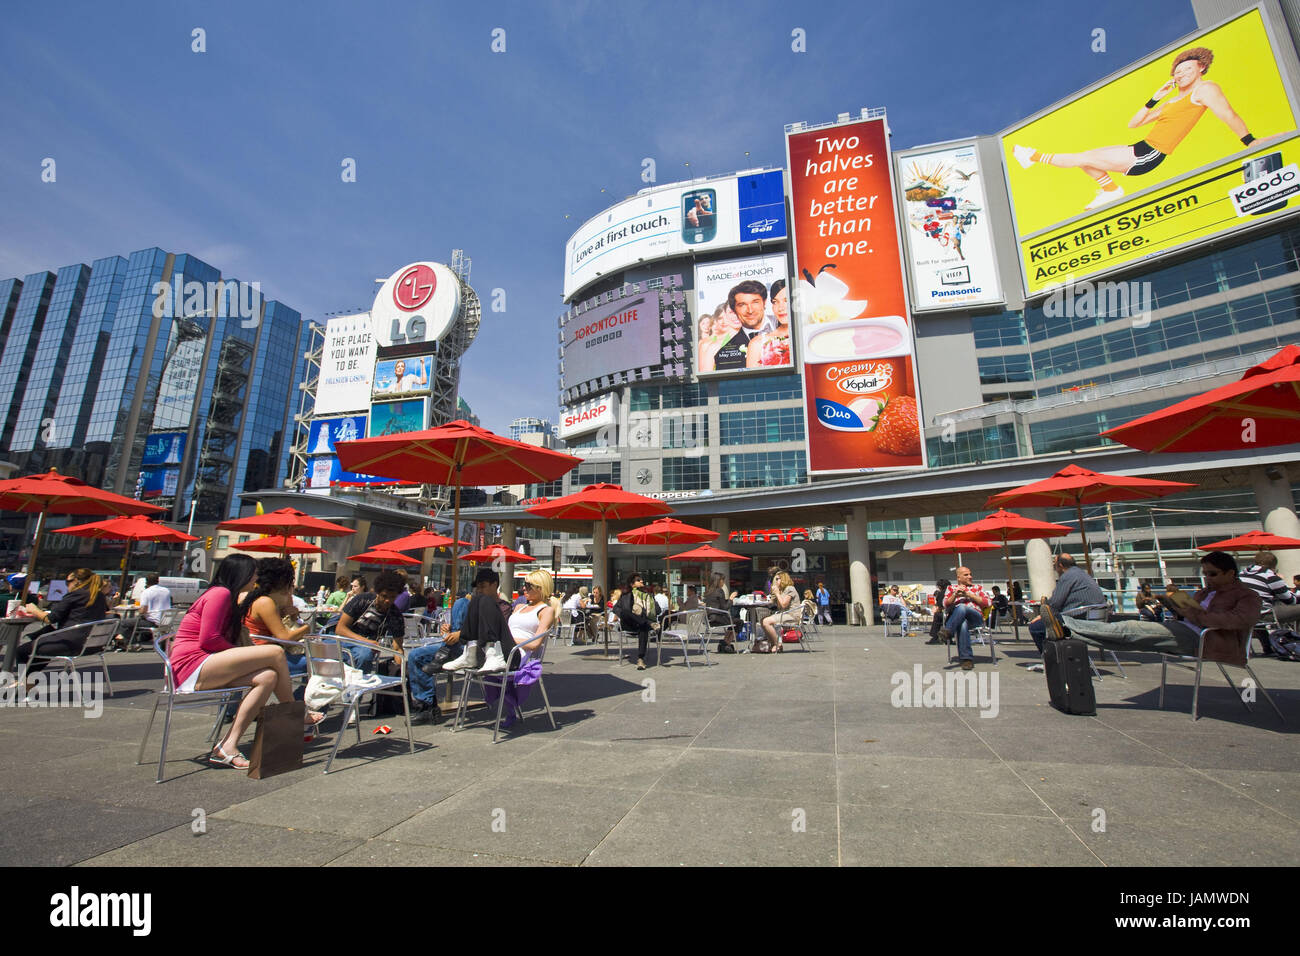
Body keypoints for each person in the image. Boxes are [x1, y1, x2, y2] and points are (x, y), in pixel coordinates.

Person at [1013, 47, 1259, 211]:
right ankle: (1110, 189)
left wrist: (1249, 141)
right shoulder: (1173, 101)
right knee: (1087, 160)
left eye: (1187, 69)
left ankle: (1033, 157)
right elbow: (1135, 123)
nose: (1181, 73)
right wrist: (1155, 97)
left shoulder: (1205, 90)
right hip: (1139, 147)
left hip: (1150, 154)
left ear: (1201, 68)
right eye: (1178, 71)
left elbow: (1228, 114)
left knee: (1085, 157)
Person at [168, 554, 321, 770]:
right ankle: (298, 714)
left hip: (202, 663)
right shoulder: (219, 594)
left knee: (268, 677)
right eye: (253, 573)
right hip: (191, 664)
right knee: (275, 653)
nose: (256, 578)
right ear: (241, 573)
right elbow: (209, 639)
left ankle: (227, 746)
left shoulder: (228, 595)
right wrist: (241, 655)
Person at [1043, 551, 1260, 665]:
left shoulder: (1247, 596)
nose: (1208, 579)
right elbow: (1191, 613)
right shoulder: (1205, 593)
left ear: (1230, 573)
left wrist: (1192, 612)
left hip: (1208, 641)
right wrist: (1172, 602)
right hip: (1186, 630)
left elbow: (1233, 621)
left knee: (1129, 630)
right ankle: (1067, 629)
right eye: (1205, 574)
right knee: (1127, 636)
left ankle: (1065, 626)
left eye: (1213, 574)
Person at [482, 570, 560, 726]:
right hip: (505, 647)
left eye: (528, 586)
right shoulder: (519, 607)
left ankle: (475, 656)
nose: (524, 589)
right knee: (478, 606)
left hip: (520, 653)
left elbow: (535, 643)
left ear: (540, 588)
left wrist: (509, 639)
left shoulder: (546, 610)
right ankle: (472, 653)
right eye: (524, 585)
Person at [15, 568, 111, 676]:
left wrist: (34, 610)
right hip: (91, 645)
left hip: (70, 643)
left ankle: (24, 682)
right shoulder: (99, 596)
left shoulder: (76, 595)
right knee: (41, 642)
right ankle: (28, 682)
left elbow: (50, 619)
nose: (66, 585)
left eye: (68, 582)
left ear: (76, 581)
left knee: (22, 651)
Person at [1026, 554, 1107, 668]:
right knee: (1048, 624)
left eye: (1055, 564)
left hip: (1077, 622)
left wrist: (1042, 615)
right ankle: (1064, 658)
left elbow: (1055, 603)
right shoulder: (1082, 574)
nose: (1054, 567)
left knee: (1036, 627)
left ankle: (1052, 662)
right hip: (1095, 620)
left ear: (1060, 565)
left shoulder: (1067, 576)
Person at [240, 557, 311, 677]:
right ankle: (299, 695)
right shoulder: (266, 602)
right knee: (313, 663)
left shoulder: (253, 597)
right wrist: (306, 628)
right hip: (262, 657)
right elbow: (286, 638)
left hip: (253, 652)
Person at [335, 570, 407, 673]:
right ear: (378, 593)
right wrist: (367, 642)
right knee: (307, 659)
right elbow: (340, 629)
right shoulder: (362, 600)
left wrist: (401, 672)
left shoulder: (395, 615)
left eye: (392, 597)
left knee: (365, 655)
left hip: (364, 650)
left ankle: (358, 686)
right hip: (342, 641)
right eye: (384, 596)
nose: (388, 600)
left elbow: (397, 649)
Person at [446, 568, 512, 672]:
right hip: (473, 648)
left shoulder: (504, 607)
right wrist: (449, 629)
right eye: (477, 587)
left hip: (502, 650)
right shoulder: (476, 602)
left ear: (494, 585)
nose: (479, 590)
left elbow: (494, 629)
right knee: (471, 599)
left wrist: (460, 634)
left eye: (483, 586)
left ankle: (492, 653)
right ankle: (469, 654)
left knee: (483, 599)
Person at [709, 280, 777, 372]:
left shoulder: (786, 325)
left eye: (755, 302)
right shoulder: (724, 355)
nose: (750, 310)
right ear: (734, 310)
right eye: (742, 305)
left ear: (764, 303)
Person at [941, 567, 991, 671]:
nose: (970, 577)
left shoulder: (978, 588)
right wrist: (955, 594)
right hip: (958, 619)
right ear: (958, 577)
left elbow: (988, 603)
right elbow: (945, 604)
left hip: (975, 617)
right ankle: (966, 659)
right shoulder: (951, 588)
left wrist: (969, 595)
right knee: (962, 623)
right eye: (966, 575)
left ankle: (948, 631)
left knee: (962, 607)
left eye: (970, 574)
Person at [616, 572, 656, 669]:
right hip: (628, 623)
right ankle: (648, 623)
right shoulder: (626, 595)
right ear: (632, 584)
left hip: (641, 623)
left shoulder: (647, 595)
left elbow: (657, 610)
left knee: (643, 627)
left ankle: (640, 659)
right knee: (626, 612)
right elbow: (616, 608)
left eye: (641, 579)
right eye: (638, 580)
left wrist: (648, 607)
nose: (641, 581)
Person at [760, 571, 802, 651]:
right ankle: (773, 643)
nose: (775, 581)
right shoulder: (782, 590)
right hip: (784, 614)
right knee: (762, 620)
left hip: (792, 615)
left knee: (766, 622)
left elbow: (783, 605)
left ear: (783, 579)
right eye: (775, 579)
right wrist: (774, 594)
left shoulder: (790, 589)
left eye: (777, 579)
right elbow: (774, 604)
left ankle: (776, 644)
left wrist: (777, 593)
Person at [702, 572, 737, 652]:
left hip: (709, 619)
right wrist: (731, 599)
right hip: (717, 618)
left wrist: (727, 601)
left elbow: (717, 603)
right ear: (718, 581)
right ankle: (726, 643)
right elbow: (724, 608)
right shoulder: (719, 591)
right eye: (722, 580)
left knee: (732, 622)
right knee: (739, 622)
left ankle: (725, 642)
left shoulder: (709, 591)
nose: (724, 582)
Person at [925, 578, 952, 644]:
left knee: (937, 616)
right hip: (953, 613)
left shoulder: (941, 593)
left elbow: (940, 606)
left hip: (946, 613)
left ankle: (935, 637)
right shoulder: (952, 592)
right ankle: (949, 639)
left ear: (940, 586)